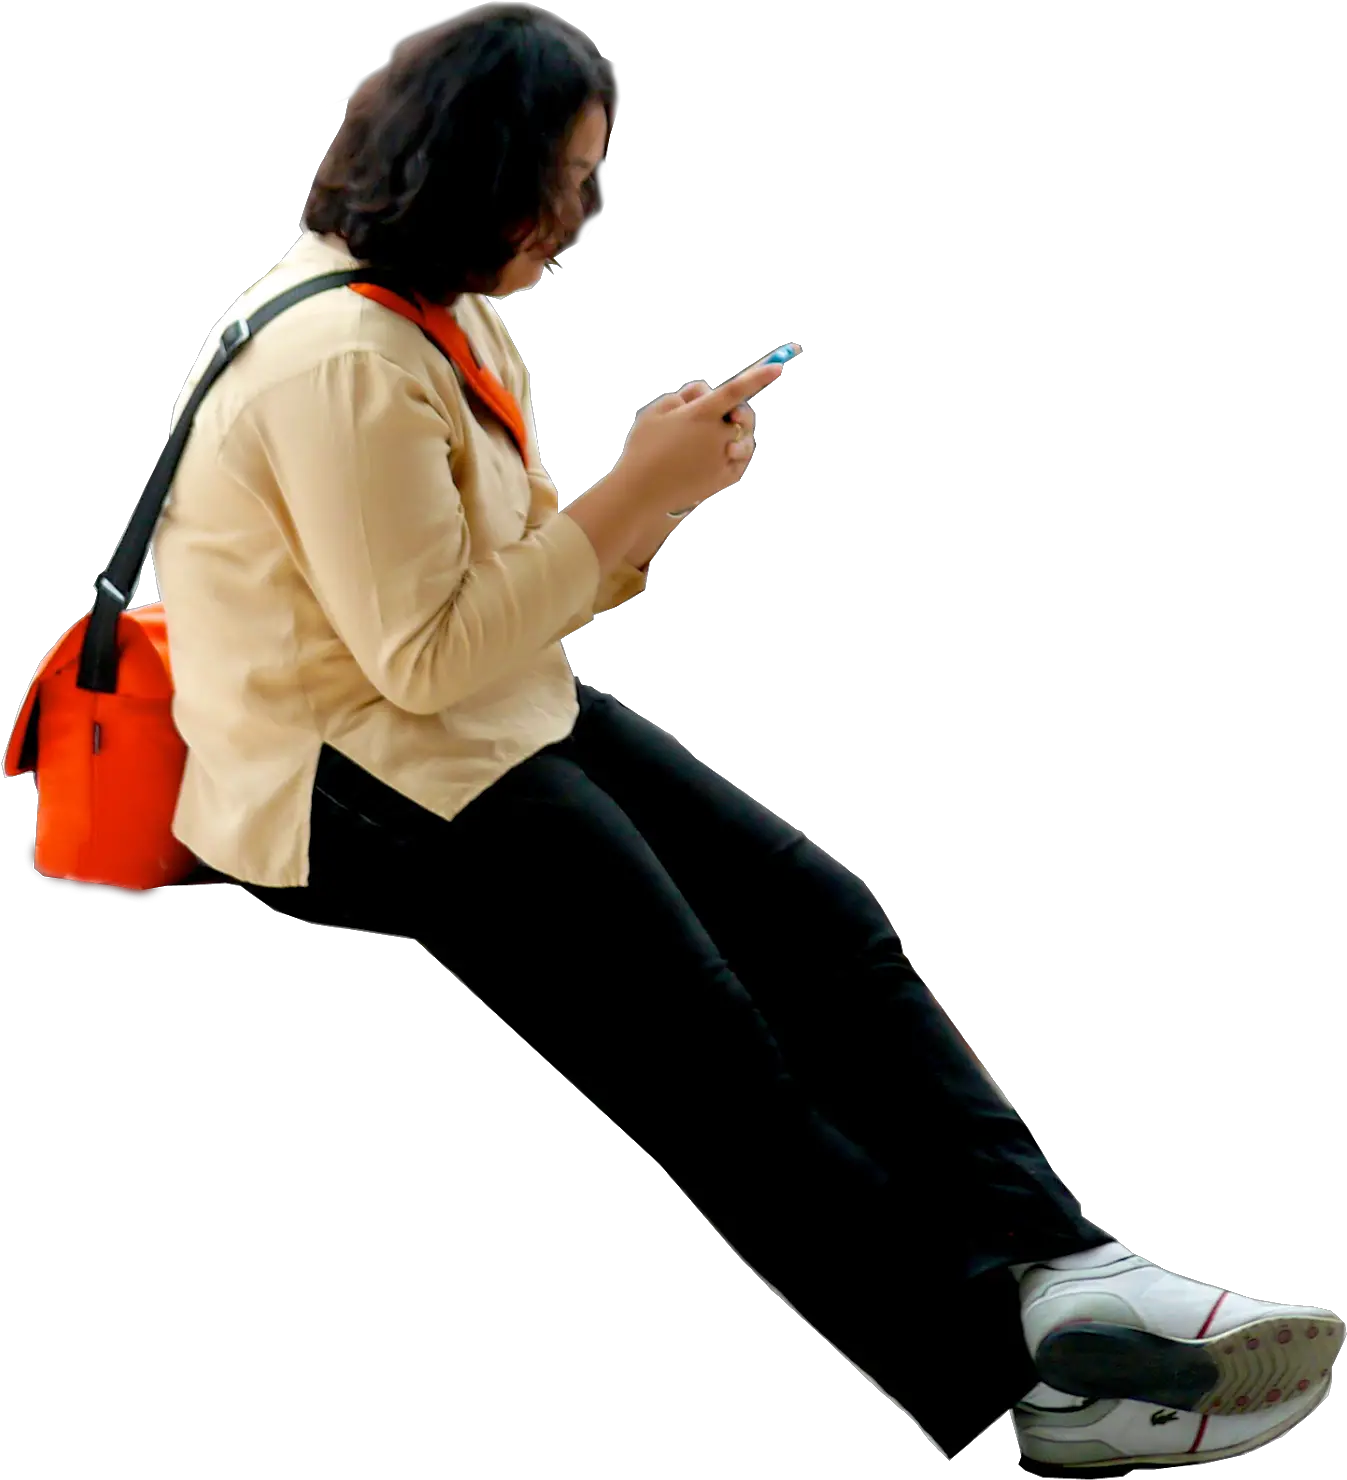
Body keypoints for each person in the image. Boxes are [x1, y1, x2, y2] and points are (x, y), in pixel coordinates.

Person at [149, 3, 1342, 1465]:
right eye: (562, 182)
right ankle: (1021, 1391)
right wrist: (637, 495)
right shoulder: (341, 358)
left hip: (471, 712)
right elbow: (421, 658)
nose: (579, 216)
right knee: (707, 1052)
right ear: (472, 172)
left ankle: (1072, 1267)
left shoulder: (439, 314)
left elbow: (492, 603)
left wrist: (648, 497)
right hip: (353, 776)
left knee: (822, 922)